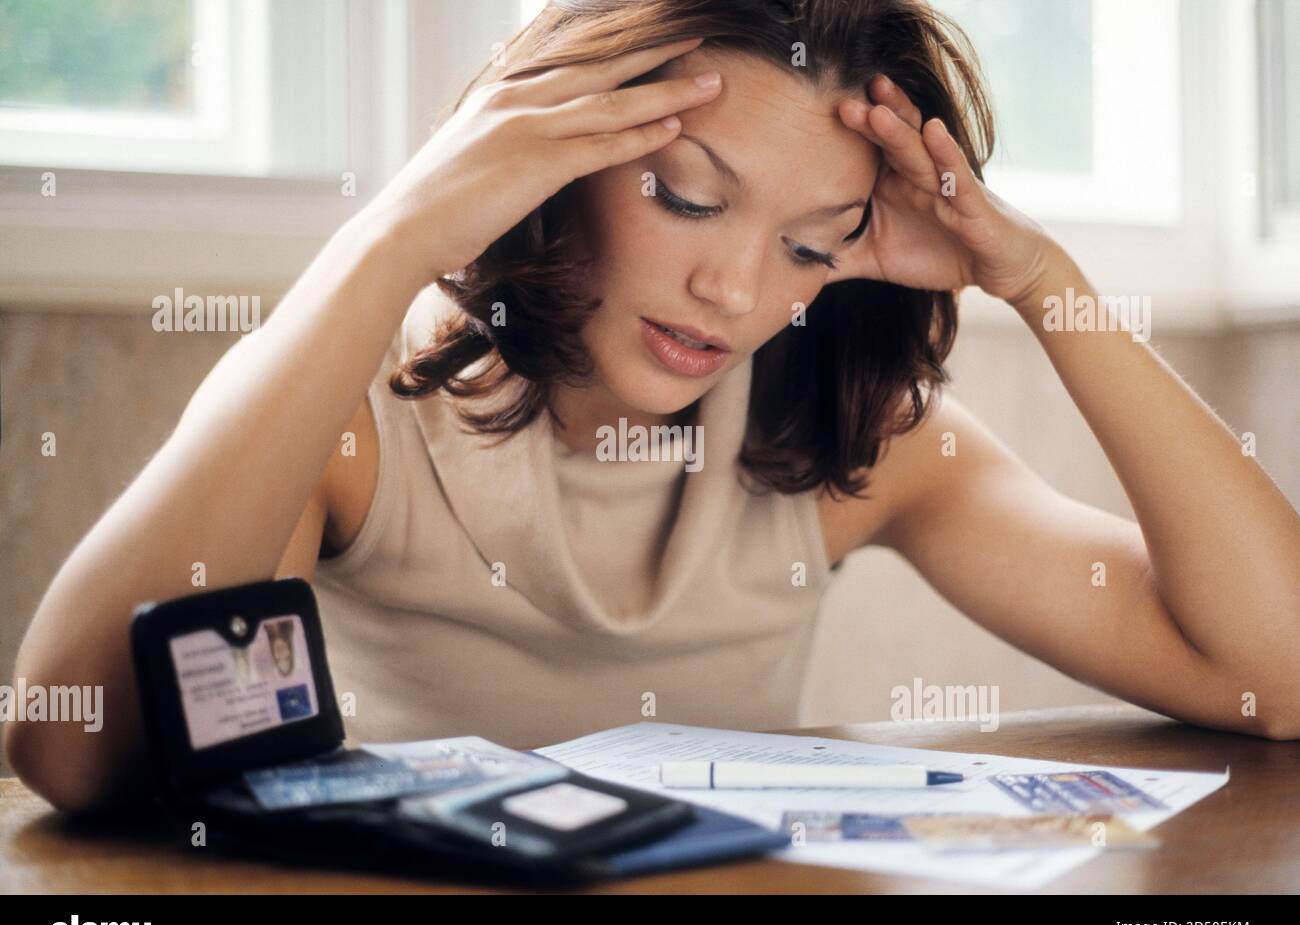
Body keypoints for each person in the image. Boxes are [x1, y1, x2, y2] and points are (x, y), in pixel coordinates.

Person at [8, 1, 1298, 814]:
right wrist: (394, 237)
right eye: (686, 196)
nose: (734, 291)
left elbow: (1274, 676)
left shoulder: (848, 443)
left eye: (811, 244)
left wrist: (1042, 281)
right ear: (553, 158)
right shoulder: (358, 421)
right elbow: (71, 748)